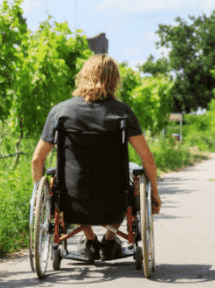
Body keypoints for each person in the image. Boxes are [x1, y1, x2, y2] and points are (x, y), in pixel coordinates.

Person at [31, 54, 162, 261]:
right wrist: (154, 193)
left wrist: (43, 202)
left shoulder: (60, 112)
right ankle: (109, 240)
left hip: (72, 200)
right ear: (114, 80)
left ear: (83, 76)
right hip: (114, 200)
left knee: (60, 178)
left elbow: (37, 160)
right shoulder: (122, 112)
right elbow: (147, 158)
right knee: (132, 173)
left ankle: (90, 240)